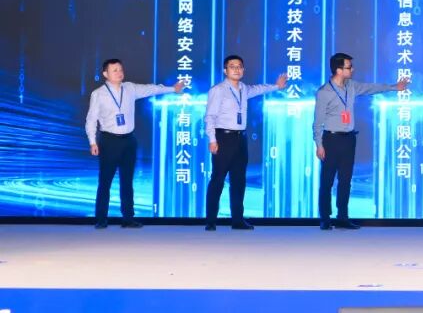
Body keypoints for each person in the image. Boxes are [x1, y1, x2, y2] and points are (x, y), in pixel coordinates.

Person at [313, 52, 410, 230]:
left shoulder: (351, 86)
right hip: (331, 140)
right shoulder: (324, 92)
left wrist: (394, 87)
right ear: (338, 70)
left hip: (349, 139)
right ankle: (325, 218)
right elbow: (317, 122)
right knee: (327, 181)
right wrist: (319, 145)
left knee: (345, 180)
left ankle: (342, 217)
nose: (353, 69)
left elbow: (370, 88)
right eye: (349, 67)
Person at [85, 59, 185, 229]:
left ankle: (128, 218)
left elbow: (150, 89)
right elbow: (91, 120)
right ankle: (101, 219)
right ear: (105, 74)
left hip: (129, 141)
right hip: (109, 141)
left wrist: (172, 89)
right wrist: (92, 142)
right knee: (105, 182)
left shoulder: (130, 88)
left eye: (120, 69)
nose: (119, 72)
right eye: (114, 70)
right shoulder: (98, 94)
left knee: (127, 181)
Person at [203, 55, 286, 231]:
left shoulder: (244, 89)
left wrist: (276, 86)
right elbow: (210, 117)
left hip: (241, 139)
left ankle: (237, 220)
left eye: (239, 66)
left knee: (239, 181)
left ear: (243, 70)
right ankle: (210, 221)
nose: (236, 69)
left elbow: (259, 89)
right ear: (225, 70)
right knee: (217, 179)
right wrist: (212, 139)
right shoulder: (218, 90)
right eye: (232, 66)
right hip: (223, 138)